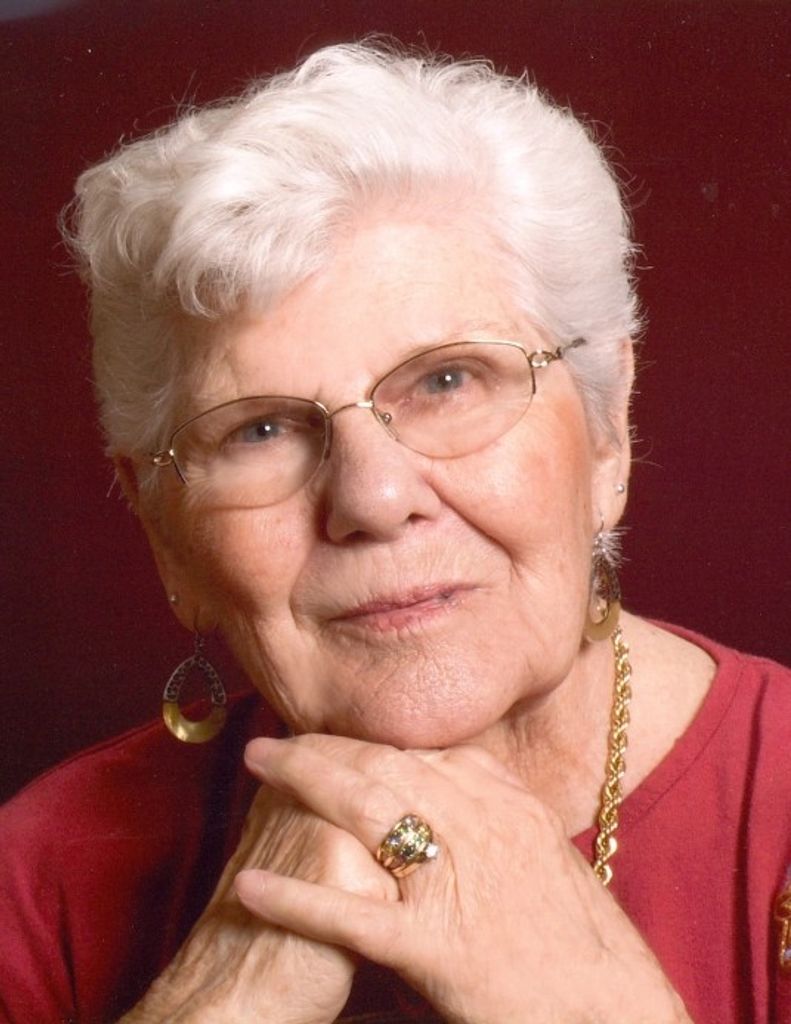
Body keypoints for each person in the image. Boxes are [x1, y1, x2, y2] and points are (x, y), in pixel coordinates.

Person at [1, 40, 789, 1024]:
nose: (373, 498)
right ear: (164, 528)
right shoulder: (37, 884)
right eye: (260, 430)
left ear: (605, 431)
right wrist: (226, 999)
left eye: (447, 380)